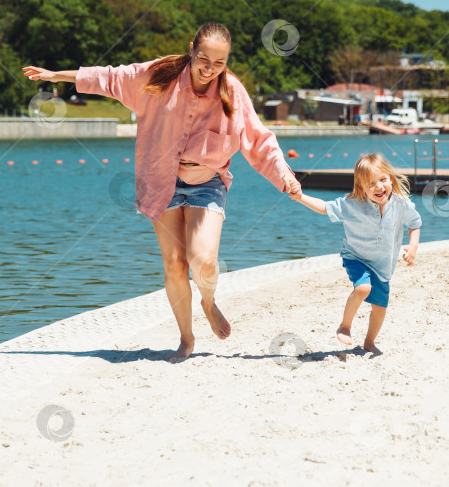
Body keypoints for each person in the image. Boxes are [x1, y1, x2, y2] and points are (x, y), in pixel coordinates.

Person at [22, 23, 302, 359]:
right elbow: (110, 78)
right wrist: (56, 76)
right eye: (203, 59)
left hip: (207, 184)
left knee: (204, 261)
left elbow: (258, 140)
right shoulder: (158, 76)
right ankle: (186, 339)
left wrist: (285, 175)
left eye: (219, 62)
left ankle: (208, 302)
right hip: (162, 180)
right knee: (173, 263)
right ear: (191, 50)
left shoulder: (231, 92)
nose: (210, 68)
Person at [290, 153, 421, 354]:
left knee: (379, 309)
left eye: (383, 180)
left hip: (383, 266)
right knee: (362, 288)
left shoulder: (401, 204)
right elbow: (325, 208)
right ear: (361, 187)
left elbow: (415, 224)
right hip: (356, 257)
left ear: (391, 179)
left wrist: (412, 247)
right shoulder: (352, 204)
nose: (379, 187)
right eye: (371, 184)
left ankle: (369, 342)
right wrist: (300, 197)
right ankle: (345, 325)